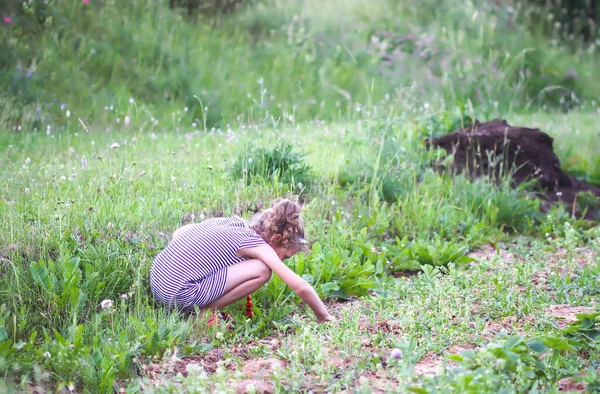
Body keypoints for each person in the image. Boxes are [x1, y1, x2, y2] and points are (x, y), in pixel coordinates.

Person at [150, 198, 334, 325]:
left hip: (156, 282)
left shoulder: (230, 223)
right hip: (179, 295)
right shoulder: (259, 246)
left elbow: (179, 233)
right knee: (263, 270)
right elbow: (300, 287)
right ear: (276, 239)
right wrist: (323, 316)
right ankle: (202, 314)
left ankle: (189, 302)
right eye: (285, 256)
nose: (283, 261)